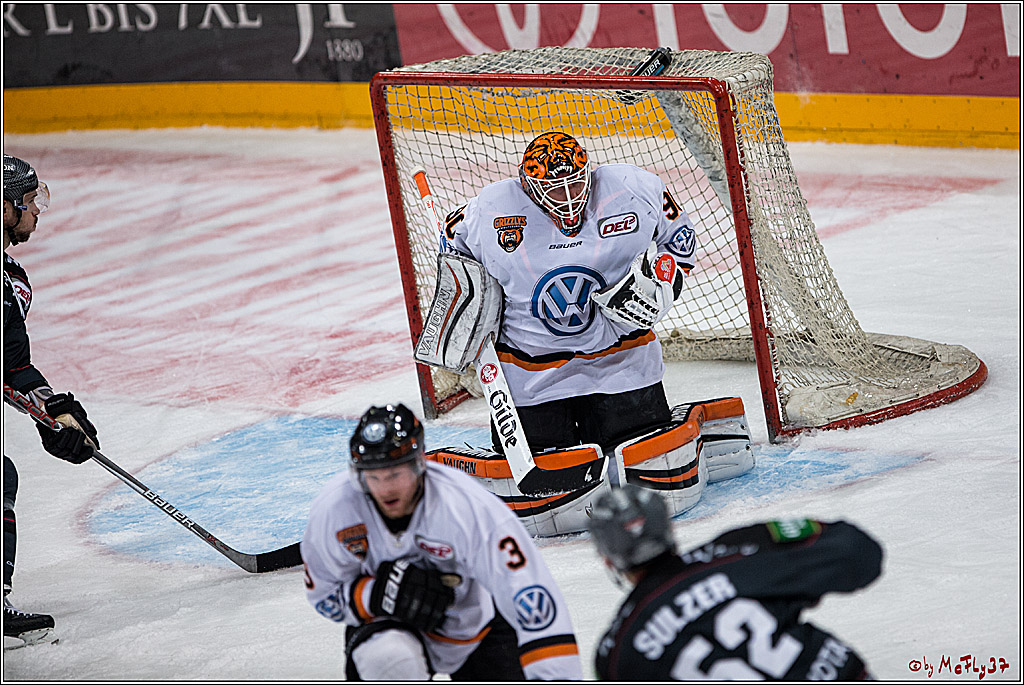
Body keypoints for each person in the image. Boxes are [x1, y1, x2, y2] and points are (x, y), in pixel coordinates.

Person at [300, 403, 583, 680]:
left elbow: (530, 593)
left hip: (476, 627)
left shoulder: (467, 505)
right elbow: (324, 596)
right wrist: (373, 595)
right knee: (387, 660)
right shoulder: (334, 511)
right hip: (387, 627)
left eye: (395, 474)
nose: (385, 489)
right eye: (373, 477)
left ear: (419, 462)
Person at [587, 485, 884, 680]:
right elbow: (858, 554)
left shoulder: (615, 653)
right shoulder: (737, 551)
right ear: (668, 528)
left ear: (607, 559)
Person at [4, 154, 100, 647]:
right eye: (28, 201)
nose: (36, 211)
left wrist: (55, 412)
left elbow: (13, 367)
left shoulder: (9, 276)